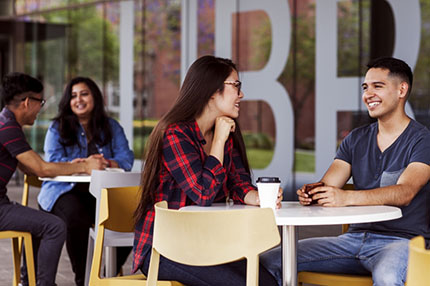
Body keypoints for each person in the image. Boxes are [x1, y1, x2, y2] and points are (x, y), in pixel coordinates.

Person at [133, 55, 283, 286]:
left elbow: (239, 183)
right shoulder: (174, 134)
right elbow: (203, 194)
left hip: (207, 243)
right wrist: (219, 141)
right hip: (165, 248)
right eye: (236, 86)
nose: (241, 94)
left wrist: (257, 196)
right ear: (212, 91)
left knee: (267, 283)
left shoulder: (223, 131)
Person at [296, 57, 430, 285]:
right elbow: (329, 186)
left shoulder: (422, 140)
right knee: (274, 259)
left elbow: (405, 192)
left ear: (401, 90)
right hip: (352, 240)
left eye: (378, 86)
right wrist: (313, 193)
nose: (368, 94)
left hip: (402, 241)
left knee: (388, 277)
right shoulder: (356, 139)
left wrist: (346, 197)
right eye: (365, 87)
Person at [0, 72, 105, 286]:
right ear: (27, 102)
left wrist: (71, 167)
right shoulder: (7, 128)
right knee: (54, 226)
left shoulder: (6, 123)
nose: (41, 108)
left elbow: (31, 169)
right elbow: (41, 168)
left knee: (40, 220)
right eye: (41, 102)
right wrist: (85, 166)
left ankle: (30, 280)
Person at [38, 77, 134, 286]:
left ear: (95, 97)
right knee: (76, 218)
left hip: (101, 192)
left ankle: (106, 274)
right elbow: (53, 161)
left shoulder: (111, 127)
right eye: (73, 96)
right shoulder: (58, 127)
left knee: (131, 215)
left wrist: (104, 162)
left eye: (84, 94)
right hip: (65, 191)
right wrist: (77, 164)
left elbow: (126, 159)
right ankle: (84, 279)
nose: (78, 99)